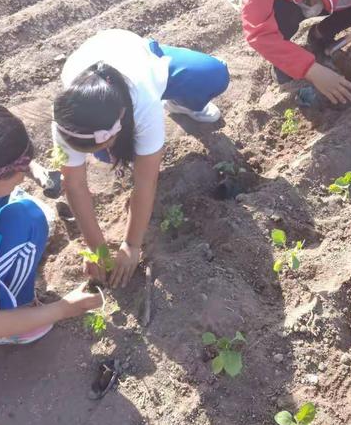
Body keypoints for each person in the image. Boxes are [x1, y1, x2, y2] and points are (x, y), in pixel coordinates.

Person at [52, 29, 230, 289]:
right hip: (103, 85)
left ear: (122, 118)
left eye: (101, 145)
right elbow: (74, 185)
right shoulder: (67, 120)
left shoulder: (144, 101)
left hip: (142, 56)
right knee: (111, 151)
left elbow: (146, 182)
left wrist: (131, 245)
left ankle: (182, 103)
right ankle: (114, 149)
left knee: (215, 75)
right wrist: (98, 249)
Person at [0, 102, 101, 349]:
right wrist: (64, 308)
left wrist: (34, 170)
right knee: (28, 221)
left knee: (5, 200)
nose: (22, 177)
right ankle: (8, 316)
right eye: (17, 171)